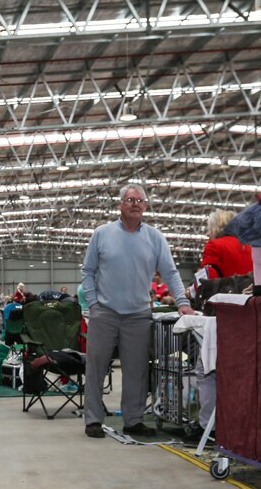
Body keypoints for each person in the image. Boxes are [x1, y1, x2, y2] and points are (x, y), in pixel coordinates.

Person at [82, 184, 194, 439]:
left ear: (145, 206)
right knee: (96, 368)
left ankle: (133, 420)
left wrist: (182, 302)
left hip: (138, 315)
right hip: (104, 313)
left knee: (137, 370)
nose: (135, 204)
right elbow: (87, 271)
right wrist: (93, 304)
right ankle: (93, 419)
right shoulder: (102, 234)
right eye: (130, 199)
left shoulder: (155, 237)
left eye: (140, 200)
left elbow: (170, 272)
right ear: (120, 205)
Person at [200, 210, 253, 278]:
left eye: (210, 229)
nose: (207, 234)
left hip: (225, 284)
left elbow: (209, 277)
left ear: (217, 228)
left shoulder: (213, 245)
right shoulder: (251, 246)